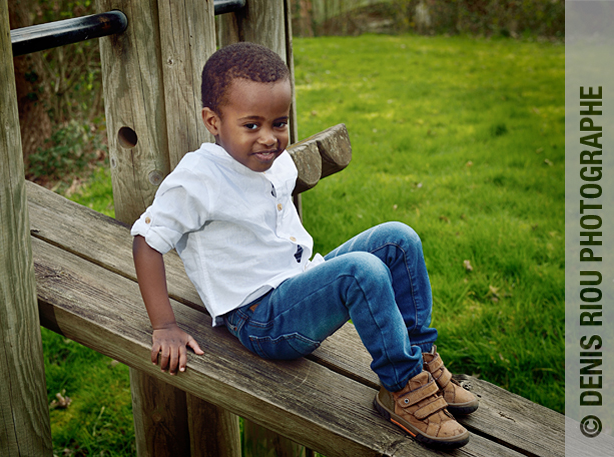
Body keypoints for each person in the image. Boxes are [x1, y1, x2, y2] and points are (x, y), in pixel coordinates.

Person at [131, 42, 478, 449]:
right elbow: (146, 240)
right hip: (261, 318)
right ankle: (401, 387)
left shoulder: (274, 161)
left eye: (279, 123)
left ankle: (419, 358)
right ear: (213, 121)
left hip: (297, 281)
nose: (270, 139)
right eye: (251, 125)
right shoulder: (197, 179)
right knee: (361, 271)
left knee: (399, 238)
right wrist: (165, 325)